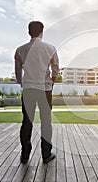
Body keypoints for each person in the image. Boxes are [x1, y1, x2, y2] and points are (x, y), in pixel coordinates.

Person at [14, 21, 59, 163]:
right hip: (44, 89)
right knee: (46, 121)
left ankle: (25, 155)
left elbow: (17, 72)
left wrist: (24, 84)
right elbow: (56, 68)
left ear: (29, 32)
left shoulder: (20, 50)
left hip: (28, 90)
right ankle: (46, 154)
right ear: (42, 32)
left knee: (27, 122)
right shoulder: (50, 48)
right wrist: (52, 80)